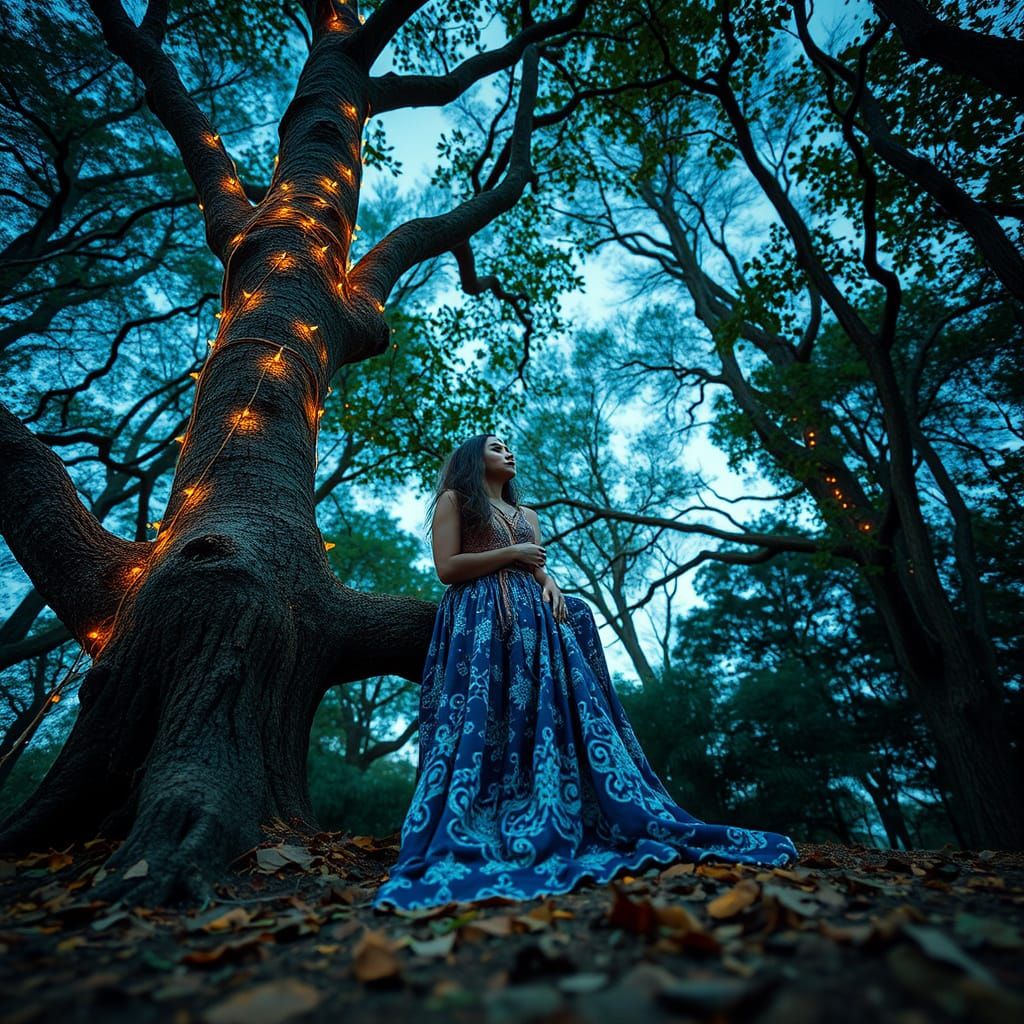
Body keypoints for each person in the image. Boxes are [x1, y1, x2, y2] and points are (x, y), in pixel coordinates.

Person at [371, 433, 798, 912]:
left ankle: (567, 800)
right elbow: (447, 568)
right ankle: (483, 810)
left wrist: (548, 581)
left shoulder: (528, 515)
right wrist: (513, 556)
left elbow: (534, 566)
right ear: (473, 459)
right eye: (496, 447)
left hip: (533, 623)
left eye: (511, 446)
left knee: (547, 692)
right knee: (487, 719)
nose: (509, 451)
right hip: (480, 618)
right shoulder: (456, 500)